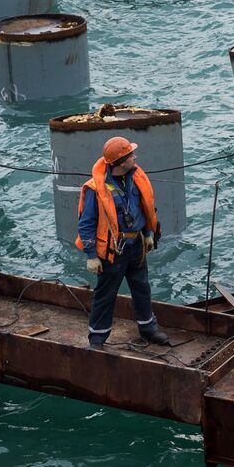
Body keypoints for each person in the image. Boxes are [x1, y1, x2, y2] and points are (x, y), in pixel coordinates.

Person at [76, 135, 169, 349]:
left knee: (142, 287)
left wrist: (147, 234)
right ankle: (97, 338)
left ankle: (148, 328)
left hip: (136, 246)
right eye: (130, 155)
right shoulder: (95, 189)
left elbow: (145, 209)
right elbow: (86, 223)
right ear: (120, 162)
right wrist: (91, 256)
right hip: (113, 252)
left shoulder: (135, 178)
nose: (134, 156)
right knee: (105, 294)